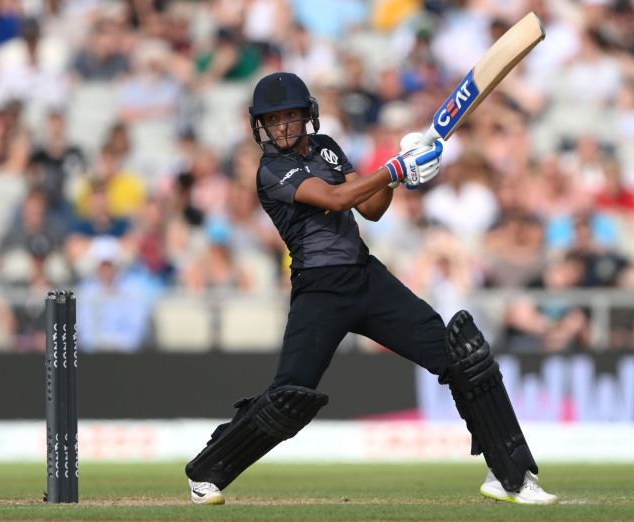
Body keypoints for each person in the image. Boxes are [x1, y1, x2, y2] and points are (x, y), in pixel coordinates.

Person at [184, 72, 557, 506]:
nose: (283, 127)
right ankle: (207, 471)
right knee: (289, 398)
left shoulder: (326, 148)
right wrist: (393, 167)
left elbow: (372, 209)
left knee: (463, 358)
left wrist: (401, 175)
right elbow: (337, 200)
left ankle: (509, 474)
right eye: (274, 120)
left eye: (290, 117)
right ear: (260, 125)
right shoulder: (272, 170)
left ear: (308, 117)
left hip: (366, 277)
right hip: (319, 289)